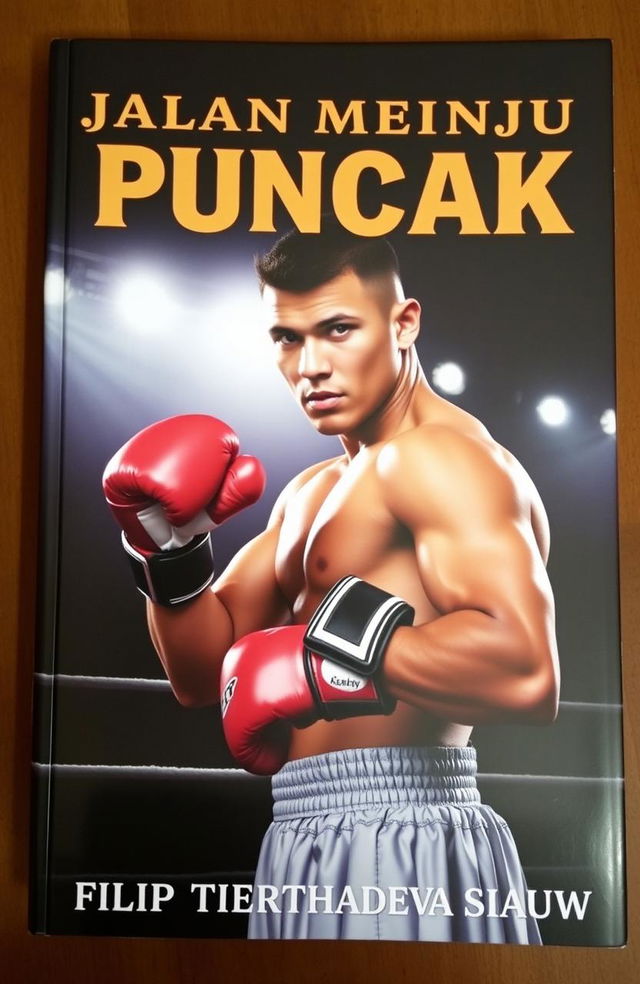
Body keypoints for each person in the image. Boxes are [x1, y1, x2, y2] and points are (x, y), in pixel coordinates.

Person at [103, 223, 559, 943]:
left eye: (337, 329)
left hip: (406, 830)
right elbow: (201, 672)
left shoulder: (442, 459)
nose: (310, 365)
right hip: (299, 829)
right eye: (287, 338)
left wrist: (323, 657)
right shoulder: (314, 490)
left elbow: (528, 673)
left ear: (403, 322)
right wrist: (170, 545)